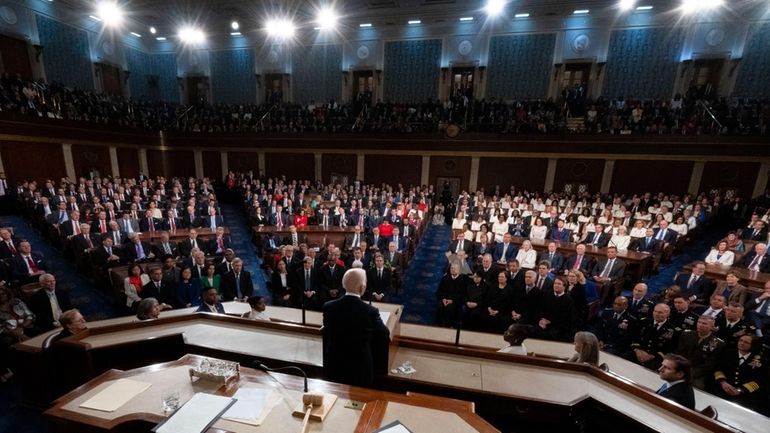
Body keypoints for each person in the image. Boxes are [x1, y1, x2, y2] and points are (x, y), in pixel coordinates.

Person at [322, 268, 390, 387]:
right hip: (360, 367)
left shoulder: (329, 307)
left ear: (343, 285)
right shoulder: (370, 311)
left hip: (334, 363)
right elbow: (384, 334)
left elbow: (327, 330)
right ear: (362, 288)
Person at [712, 335, 766, 411]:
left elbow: (759, 381)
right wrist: (723, 382)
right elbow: (718, 369)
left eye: (746, 342)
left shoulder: (761, 361)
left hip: (745, 394)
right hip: (723, 387)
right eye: (740, 340)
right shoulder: (728, 353)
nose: (742, 343)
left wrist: (740, 390)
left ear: (753, 345)